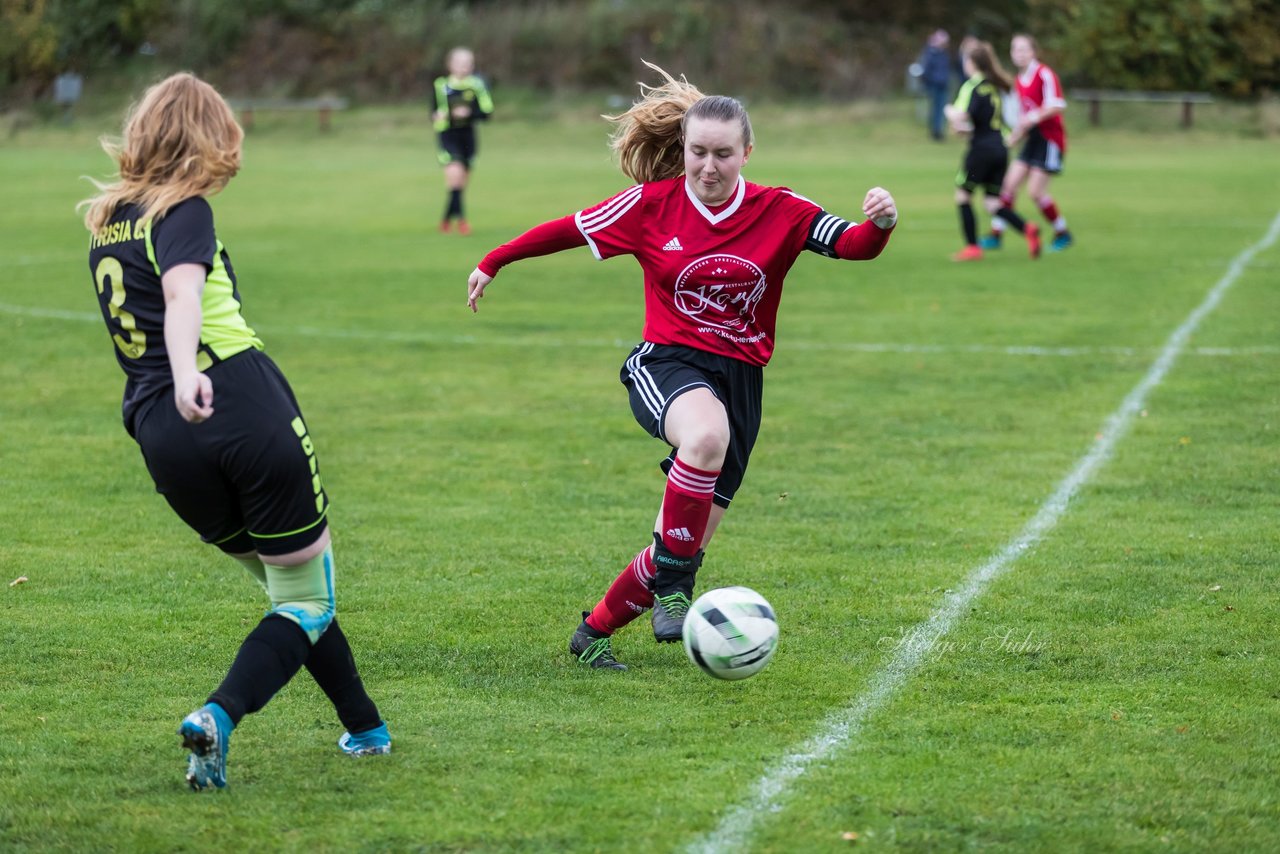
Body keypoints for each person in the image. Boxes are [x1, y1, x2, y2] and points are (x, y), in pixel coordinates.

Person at [465, 64, 897, 670]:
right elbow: (569, 228)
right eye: (698, 152)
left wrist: (880, 223)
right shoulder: (652, 206)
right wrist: (496, 259)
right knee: (703, 440)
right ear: (683, 149)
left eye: (723, 153)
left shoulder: (782, 210)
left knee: (679, 541)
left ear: (748, 151)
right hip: (666, 363)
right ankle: (677, 589)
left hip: (741, 383)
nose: (709, 167)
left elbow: (852, 244)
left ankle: (592, 635)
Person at [80, 72, 390, 790]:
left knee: (294, 597)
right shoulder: (180, 209)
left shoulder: (108, 220)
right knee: (308, 599)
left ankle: (366, 728)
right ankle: (218, 716)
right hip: (230, 399)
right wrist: (192, 372)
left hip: (159, 431)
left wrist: (176, 383)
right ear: (205, 136)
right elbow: (185, 293)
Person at [945, 40, 1040, 261]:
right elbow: (998, 121)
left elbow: (961, 117)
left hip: (981, 152)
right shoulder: (997, 86)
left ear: (971, 63)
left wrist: (948, 111)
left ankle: (972, 247)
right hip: (1000, 150)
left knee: (963, 196)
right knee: (992, 203)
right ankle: (1027, 229)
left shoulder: (973, 86)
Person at [980, 33, 1074, 252]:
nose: (1019, 54)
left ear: (1033, 51)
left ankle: (1063, 232)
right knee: (1008, 186)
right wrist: (1012, 138)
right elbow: (1023, 120)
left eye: (1024, 49)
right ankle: (996, 234)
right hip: (1032, 140)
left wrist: (1032, 118)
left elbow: (1057, 105)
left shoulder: (1044, 74)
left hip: (1050, 140)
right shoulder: (1019, 82)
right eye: (1015, 50)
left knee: (1035, 192)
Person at [433, 47, 494, 235]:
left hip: (468, 137)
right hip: (448, 136)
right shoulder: (441, 86)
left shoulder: (477, 86)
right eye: (459, 64)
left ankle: (445, 220)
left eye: (468, 64)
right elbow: (433, 111)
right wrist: (437, 115)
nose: (463, 68)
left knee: (458, 185)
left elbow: (487, 113)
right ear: (450, 65)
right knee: (455, 174)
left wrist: (470, 113)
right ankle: (462, 222)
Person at [920, 29, 952, 141]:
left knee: (941, 109)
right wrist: (928, 83)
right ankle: (935, 131)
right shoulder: (931, 53)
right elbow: (926, 70)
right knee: (935, 109)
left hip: (943, 85)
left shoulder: (943, 53)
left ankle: (939, 131)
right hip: (934, 86)